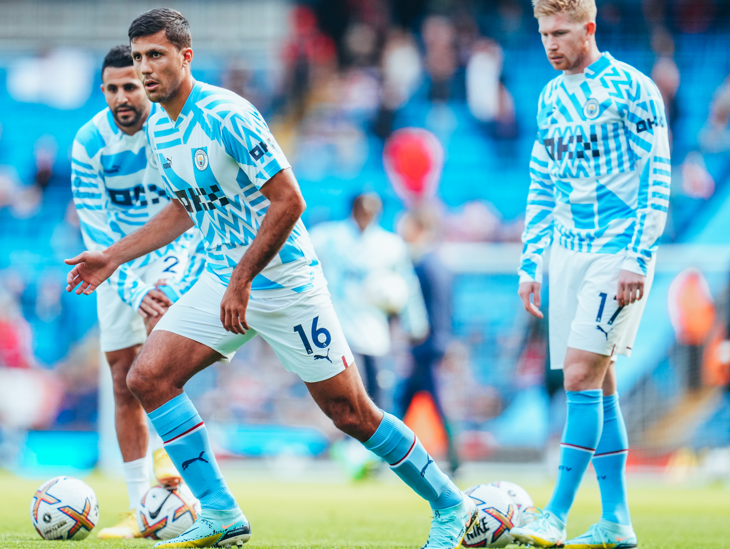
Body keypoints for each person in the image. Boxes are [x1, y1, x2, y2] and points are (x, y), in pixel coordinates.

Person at [65, 9, 478, 549]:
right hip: (222, 279)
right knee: (147, 377)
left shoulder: (228, 114)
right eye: (138, 56)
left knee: (350, 412)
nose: (145, 68)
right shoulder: (160, 129)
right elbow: (185, 209)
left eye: (156, 55)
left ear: (185, 57)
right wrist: (115, 256)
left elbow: (290, 201)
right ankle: (219, 512)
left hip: (285, 284)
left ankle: (454, 506)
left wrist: (242, 280)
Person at [513, 1, 669, 547]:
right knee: (599, 389)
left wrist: (638, 258)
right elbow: (542, 184)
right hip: (568, 255)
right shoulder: (550, 96)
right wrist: (532, 263)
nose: (551, 44)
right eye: (543, 34)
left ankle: (554, 513)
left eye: (561, 33)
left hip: (616, 254)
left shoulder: (634, 89)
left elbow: (657, 177)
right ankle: (616, 523)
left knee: (577, 375)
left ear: (590, 29)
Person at [71, 44, 206, 539]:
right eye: (112, 88)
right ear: (102, 90)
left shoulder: (169, 130)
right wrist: (130, 285)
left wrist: (157, 281)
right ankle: (139, 508)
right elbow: (94, 228)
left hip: (175, 251)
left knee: (161, 329)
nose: (122, 97)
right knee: (122, 378)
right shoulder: (88, 143)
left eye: (130, 85)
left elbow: (189, 209)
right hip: (117, 262)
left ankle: (174, 463)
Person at [309, 193, 428, 403]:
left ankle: (371, 436)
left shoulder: (390, 246)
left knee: (376, 394)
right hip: (338, 330)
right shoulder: (328, 238)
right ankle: (346, 436)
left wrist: (415, 325)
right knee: (347, 394)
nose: (368, 214)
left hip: (374, 332)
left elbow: (408, 286)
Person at [399, 205, 461, 474]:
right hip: (432, 345)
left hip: (427, 347)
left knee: (425, 402)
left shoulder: (425, 265)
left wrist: (426, 341)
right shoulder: (438, 263)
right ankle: (383, 456)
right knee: (405, 401)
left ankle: (456, 459)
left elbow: (432, 311)